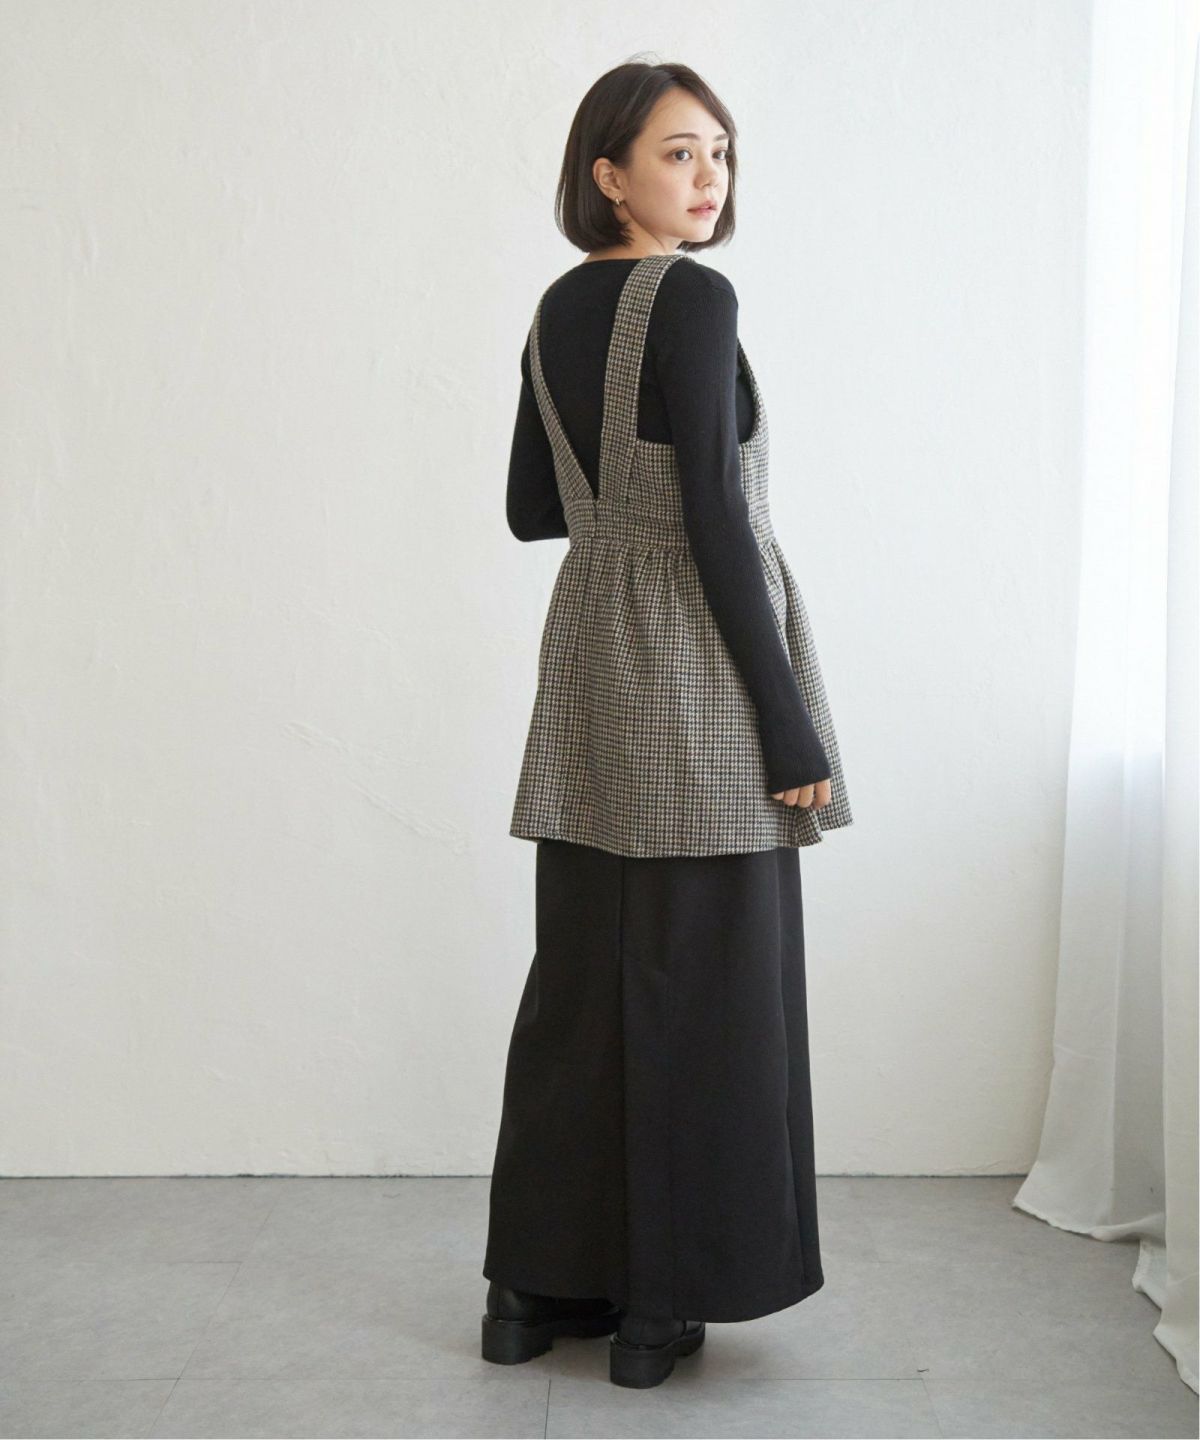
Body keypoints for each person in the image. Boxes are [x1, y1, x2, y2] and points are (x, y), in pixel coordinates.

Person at [481, 59, 853, 1391]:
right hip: (697, 672)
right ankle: (659, 1309)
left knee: (583, 987)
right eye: (679, 153)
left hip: (589, 670)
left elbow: (533, 509)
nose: (708, 178)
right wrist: (791, 730)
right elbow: (712, 516)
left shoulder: (554, 310)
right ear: (610, 174)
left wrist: (610, 517)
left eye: (720, 153)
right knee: (707, 989)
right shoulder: (693, 299)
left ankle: (532, 1292)